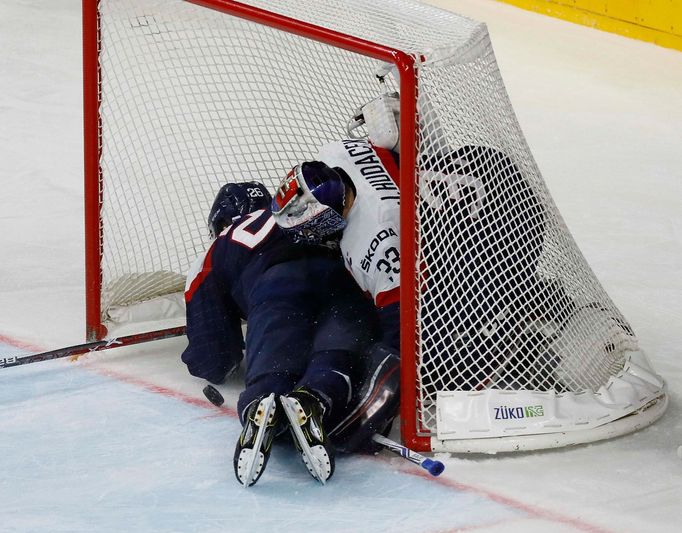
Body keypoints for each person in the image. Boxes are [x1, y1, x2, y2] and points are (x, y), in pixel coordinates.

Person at [271, 87, 549, 393]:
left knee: (430, 365)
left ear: (329, 215)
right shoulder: (336, 154)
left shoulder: (376, 237)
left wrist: (383, 365)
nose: (308, 236)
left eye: (312, 226)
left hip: (508, 218)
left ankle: (512, 337)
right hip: (480, 165)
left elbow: (402, 330)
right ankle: (534, 301)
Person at [181, 181, 382, 486]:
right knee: (339, 347)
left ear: (218, 223)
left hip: (276, 287)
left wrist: (228, 356)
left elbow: (214, 356)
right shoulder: (293, 207)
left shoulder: (220, 244)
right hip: (340, 277)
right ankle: (316, 395)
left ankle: (262, 400)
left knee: (276, 359)